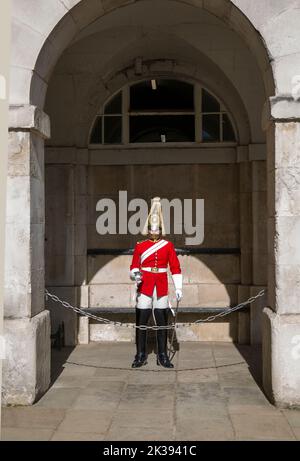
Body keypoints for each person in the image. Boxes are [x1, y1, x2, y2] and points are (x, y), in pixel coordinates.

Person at [129, 197, 182, 368]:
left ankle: (162, 356)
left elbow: (174, 267)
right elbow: (134, 265)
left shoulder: (167, 245)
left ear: (160, 229)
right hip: (145, 286)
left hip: (161, 286)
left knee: (161, 322)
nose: (154, 231)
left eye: (157, 228)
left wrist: (178, 287)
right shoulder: (140, 246)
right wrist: (136, 274)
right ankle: (140, 354)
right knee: (142, 322)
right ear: (148, 230)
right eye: (152, 229)